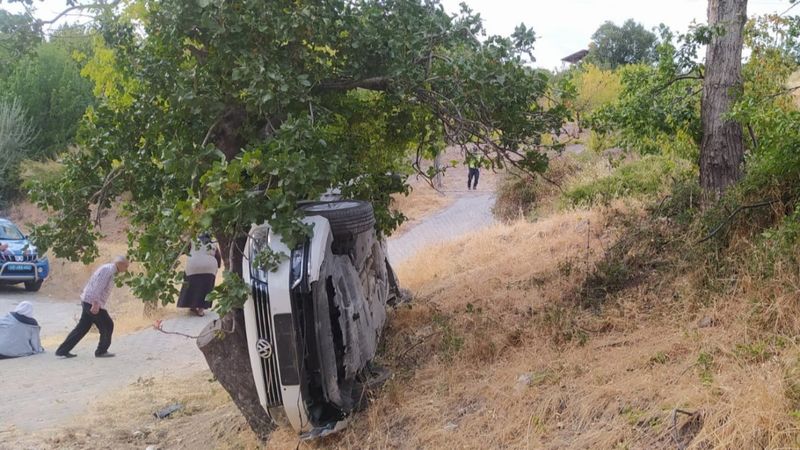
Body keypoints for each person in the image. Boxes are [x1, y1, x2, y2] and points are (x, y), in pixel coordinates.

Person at [55, 256, 130, 358]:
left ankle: (62, 350)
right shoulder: (108, 270)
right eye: (126, 266)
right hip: (92, 301)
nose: (126, 269)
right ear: (120, 264)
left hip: (89, 300)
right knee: (107, 325)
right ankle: (101, 351)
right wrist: (95, 304)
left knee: (82, 327)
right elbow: (98, 286)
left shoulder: (109, 269)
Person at [177, 233, 221, 316]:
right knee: (206, 288)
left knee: (191, 285)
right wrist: (217, 266)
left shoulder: (193, 241)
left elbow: (183, 250)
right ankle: (201, 310)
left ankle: (192, 305)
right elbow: (218, 257)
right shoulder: (213, 244)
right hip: (210, 268)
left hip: (193, 266)